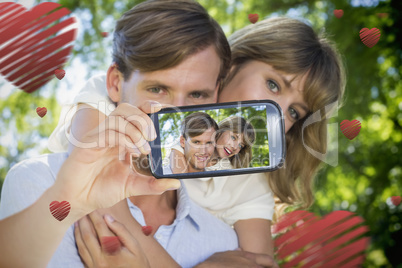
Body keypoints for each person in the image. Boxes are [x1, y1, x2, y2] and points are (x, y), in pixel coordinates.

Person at [0, 0, 277, 267]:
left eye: (196, 94)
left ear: (216, 96)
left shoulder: (223, 244)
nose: (175, 113)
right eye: (157, 89)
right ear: (115, 84)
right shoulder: (38, 182)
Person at [64, 15, 345, 263]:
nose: (280, 113)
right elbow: (102, 203)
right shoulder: (116, 96)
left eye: (295, 112)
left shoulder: (251, 184)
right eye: (273, 84)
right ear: (233, 65)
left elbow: (258, 262)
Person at [169, 115, 255, 173]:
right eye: (233, 137)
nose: (235, 147)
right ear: (221, 131)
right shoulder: (193, 140)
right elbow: (180, 177)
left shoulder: (228, 168)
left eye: (241, 145)